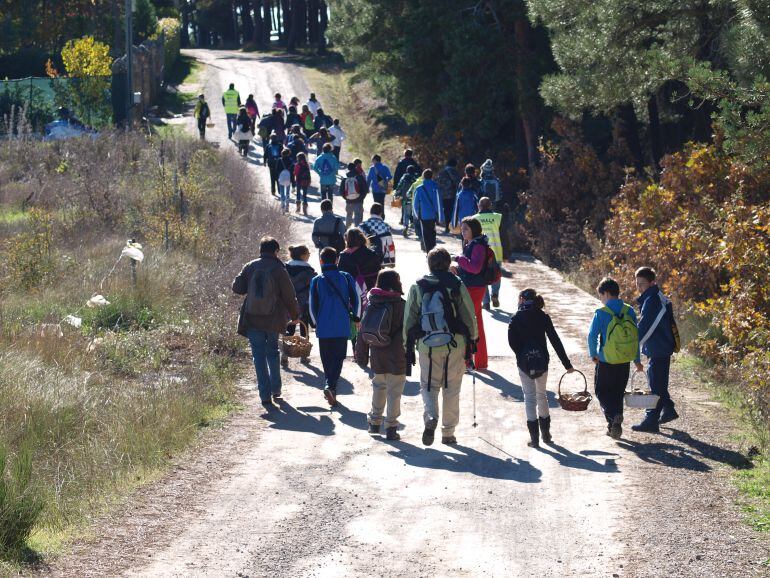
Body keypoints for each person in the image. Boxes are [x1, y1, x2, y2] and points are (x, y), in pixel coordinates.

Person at [404, 248, 478, 446]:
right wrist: (473, 338)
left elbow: (409, 318)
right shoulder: (457, 284)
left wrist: (407, 345)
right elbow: (469, 314)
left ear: (429, 263)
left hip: (427, 345)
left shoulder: (418, 286)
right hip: (455, 345)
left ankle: (430, 416)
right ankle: (448, 433)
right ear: (448, 264)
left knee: (429, 386)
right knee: (451, 388)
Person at [232, 237, 299, 408]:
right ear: (276, 251)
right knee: (273, 352)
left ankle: (264, 395)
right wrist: (295, 315)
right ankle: (276, 389)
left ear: (260, 250)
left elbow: (237, 288)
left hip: (253, 317)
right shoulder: (278, 268)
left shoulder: (250, 266)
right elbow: (289, 295)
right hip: (273, 318)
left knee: (258, 356)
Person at [508, 289, 574, 447]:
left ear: (522, 300)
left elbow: (512, 342)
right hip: (542, 362)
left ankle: (534, 438)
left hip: (524, 364)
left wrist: (521, 356)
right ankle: (546, 434)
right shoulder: (543, 316)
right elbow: (555, 340)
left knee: (529, 397)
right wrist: (567, 364)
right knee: (541, 395)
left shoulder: (516, 318)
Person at [587, 277, 644, 439]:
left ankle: (613, 418)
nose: (601, 300)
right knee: (618, 392)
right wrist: (637, 360)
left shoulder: (601, 313)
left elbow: (592, 336)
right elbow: (635, 337)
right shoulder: (629, 311)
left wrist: (593, 354)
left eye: (601, 296)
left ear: (605, 293)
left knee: (601, 391)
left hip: (606, 360)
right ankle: (614, 422)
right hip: (624, 361)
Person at [309, 247, 361, 406]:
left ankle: (330, 386)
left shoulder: (316, 280)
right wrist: (357, 317)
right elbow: (357, 299)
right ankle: (331, 386)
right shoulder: (346, 278)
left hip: (323, 327)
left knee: (326, 358)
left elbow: (312, 305)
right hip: (341, 325)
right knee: (338, 357)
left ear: (321, 261)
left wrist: (315, 323)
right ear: (337, 259)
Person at [631, 267, 679, 432]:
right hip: (661, 346)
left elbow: (646, 326)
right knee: (658, 382)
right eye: (637, 283)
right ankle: (668, 409)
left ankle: (651, 420)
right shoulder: (654, 296)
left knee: (655, 385)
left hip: (658, 347)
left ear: (652, 282)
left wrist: (633, 345)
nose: (639, 287)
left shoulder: (652, 299)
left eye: (642, 284)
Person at [364, 269, 406, 440]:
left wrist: (361, 355)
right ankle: (391, 428)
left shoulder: (372, 302)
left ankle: (374, 423)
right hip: (397, 354)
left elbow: (363, 330)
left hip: (377, 352)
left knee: (378, 386)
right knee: (394, 391)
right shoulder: (401, 304)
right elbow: (408, 331)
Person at [452, 217, 491, 370]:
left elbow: (475, 268)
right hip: (473, 287)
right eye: (462, 229)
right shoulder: (472, 243)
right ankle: (479, 362)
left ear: (474, 229)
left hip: (474, 289)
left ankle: (469, 361)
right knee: (475, 323)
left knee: (469, 324)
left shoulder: (478, 245)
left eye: (466, 229)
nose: (463, 232)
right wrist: (457, 266)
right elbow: (469, 266)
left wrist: (458, 258)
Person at [282, 244, 316, 367]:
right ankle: (304, 355)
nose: (309, 255)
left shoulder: (285, 268)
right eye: (308, 253)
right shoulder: (309, 271)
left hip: (288, 303)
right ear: (302, 256)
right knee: (304, 328)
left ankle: (284, 355)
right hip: (303, 304)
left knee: (289, 328)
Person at [474, 197, 503, 310]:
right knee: (496, 274)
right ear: (490, 205)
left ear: (479, 206)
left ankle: (485, 302)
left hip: (480, 252)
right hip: (496, 251)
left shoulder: (474, 218)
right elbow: (503, 234)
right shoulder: (497, 217)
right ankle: (495, 294)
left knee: (482, 276)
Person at [338, 227, 382, 294]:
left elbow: (341, 275)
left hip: (353, 290)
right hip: (372, 288)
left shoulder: (345, 256)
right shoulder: (372, 253)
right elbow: (378, 270)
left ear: (347, 240)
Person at [412, 169, 444, 253]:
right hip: (433, 215)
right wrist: (441, 217)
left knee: (425, 234)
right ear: (432, 176)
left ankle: (428, 252)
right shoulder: (436, 187)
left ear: (423, 176)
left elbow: (415, 204)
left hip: (423, 216)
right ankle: (433, 251)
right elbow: (439, 202)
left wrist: (416, 215)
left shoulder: (419, 188)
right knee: (432, 233)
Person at [436, 159, 461, 234]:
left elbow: (438, 183)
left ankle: (447, 227)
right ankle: (452, 227)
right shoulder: (454, 172)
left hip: (443, 195)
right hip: (452, 195)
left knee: (446, 211)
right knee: (453, 211)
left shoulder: (441, 172)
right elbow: (458, 183)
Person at [394, 165, 418, 237]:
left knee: (406, 214)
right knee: (415, 214)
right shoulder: (416, 178)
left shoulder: (404, 177)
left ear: (407, 170)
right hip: (415, 200)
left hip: (405, 199)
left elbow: (399, 186)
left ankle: (405, 227)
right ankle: (417, 230)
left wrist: (396, 194)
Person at [342, 162, 367, 227]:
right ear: (355, 168)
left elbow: (341, 191)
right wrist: (361, 198)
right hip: (358, 201)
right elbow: (365, 189)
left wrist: (347, 197)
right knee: (358, 217)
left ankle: (347, 231)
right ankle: (358, 232)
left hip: (349, 201)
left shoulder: (345, 178)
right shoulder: (359, 177)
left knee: (349, 215)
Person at [277, 148, 295, 213]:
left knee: (282, 194)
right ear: (288, 153)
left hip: (281, 178)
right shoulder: (291, 161)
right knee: (287, 193)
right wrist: (293, 183)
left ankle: (283, 208)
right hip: (288, 178)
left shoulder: (279, 160)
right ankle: (287, 207)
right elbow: (293, 173)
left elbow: (277, 170)